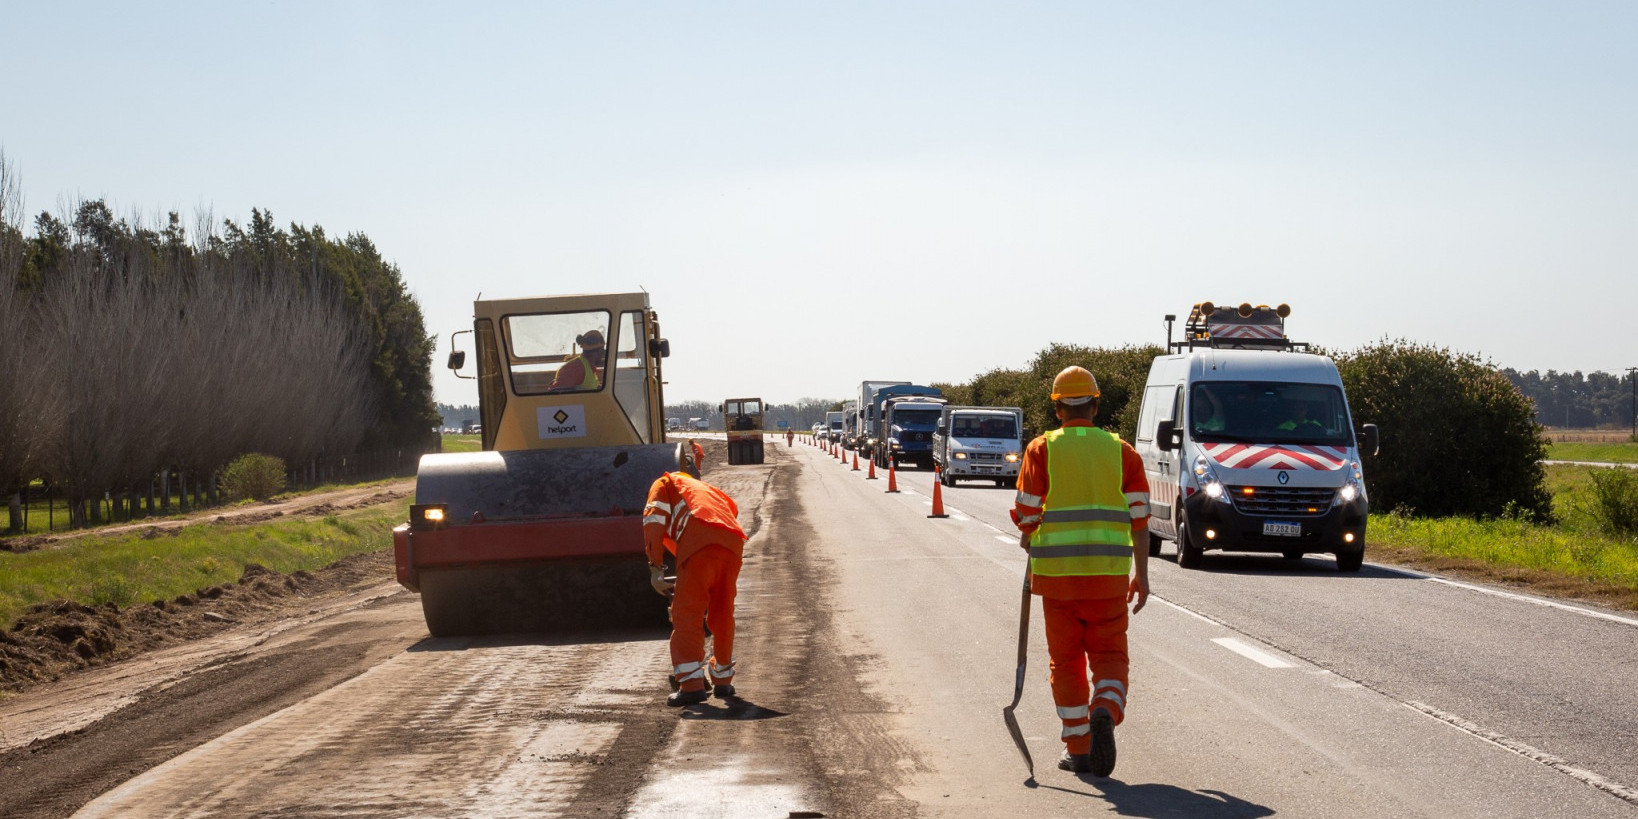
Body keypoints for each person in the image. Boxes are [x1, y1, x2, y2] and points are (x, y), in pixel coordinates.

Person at [1012, 365, 1150, 777]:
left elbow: (1026, 512)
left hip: (1057, 583)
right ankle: (1105, 708)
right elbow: (1140, 519)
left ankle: (1080, 749)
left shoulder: (1041, 449)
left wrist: (1027, 535)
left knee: (1066, 662)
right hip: (1108, 581)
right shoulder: (1122, 451)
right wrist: (1142, 575)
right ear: (1095, 404)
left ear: (1057, 409)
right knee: (1109, 657)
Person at [643, 470, 747, 707]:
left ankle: (691, 686)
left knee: (686, 615)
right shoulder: (704, 489)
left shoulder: (663, 483)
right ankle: (723, 681)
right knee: (722, 614)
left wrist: (655, 568)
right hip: (731, 545)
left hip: (700, 547)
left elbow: (653, 523)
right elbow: (731, 512)